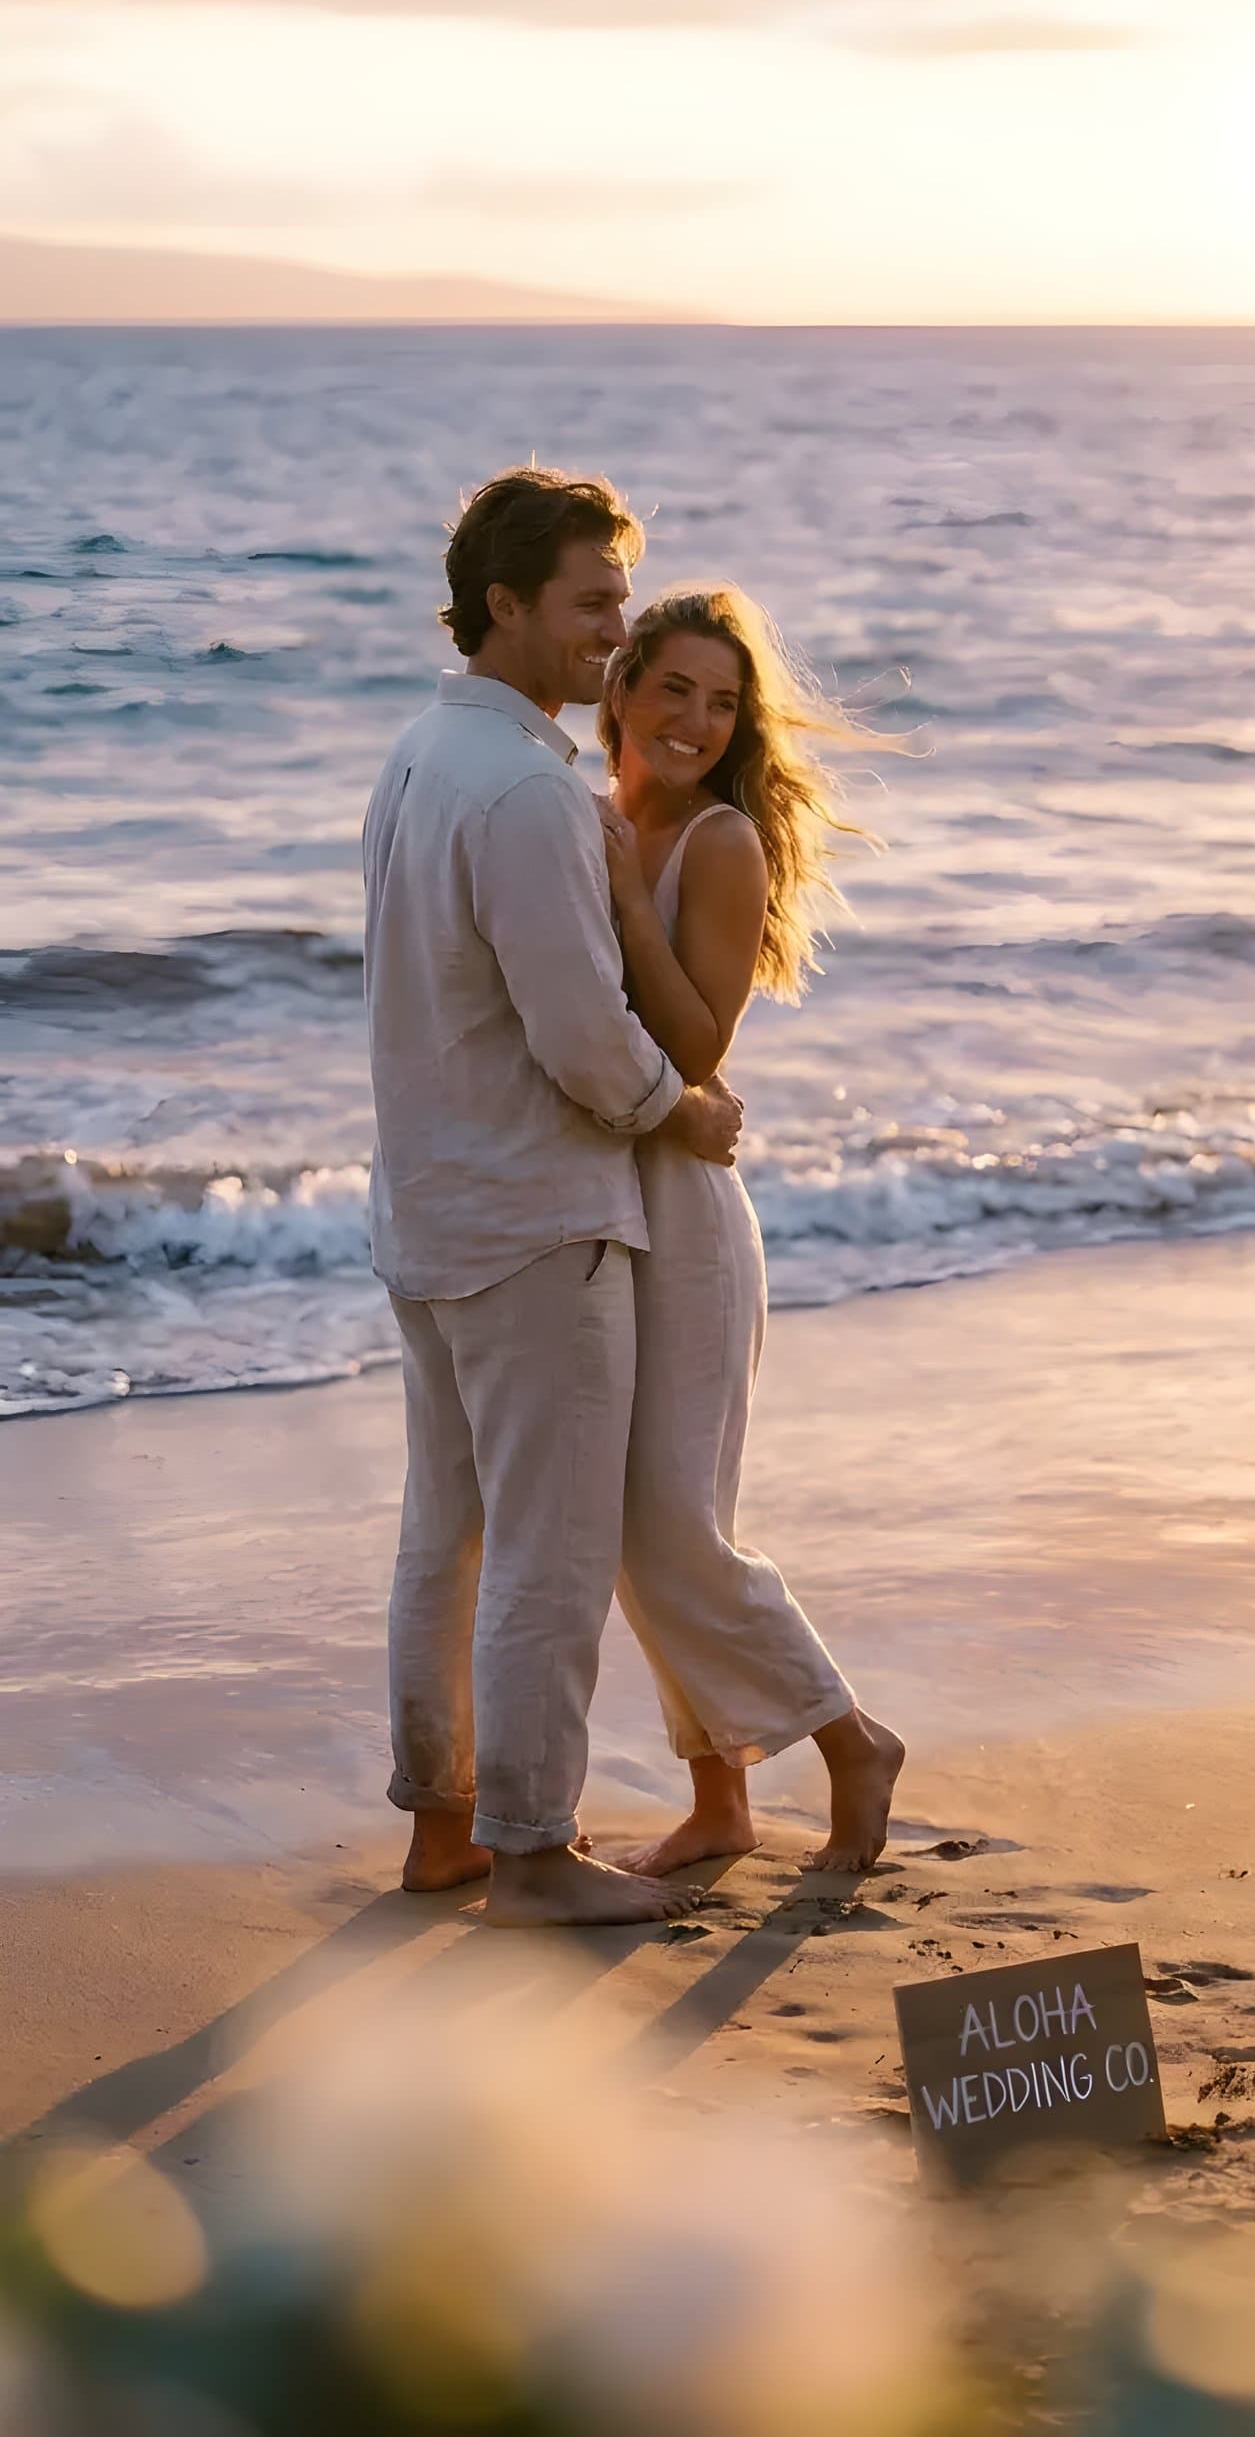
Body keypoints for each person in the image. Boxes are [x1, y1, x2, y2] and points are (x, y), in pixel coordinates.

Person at [363, 468, 743, 1927]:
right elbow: (585, 1037)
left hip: (429, 1207)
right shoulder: (523, 787)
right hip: (531, 1218)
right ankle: (530, 1848)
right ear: (505, 604)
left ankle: (442, 1829)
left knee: (442, 1533)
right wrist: (683, 1111)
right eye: (591, 604)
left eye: (619, 603)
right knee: (548, 1548)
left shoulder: (415, 757)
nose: (613, 633)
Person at [591, 585, 905, 1875]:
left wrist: (619, 900)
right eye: (675, 689)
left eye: (724, 704)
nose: (698, 722)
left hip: (693, 1226)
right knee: (623, 1527)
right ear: (618, 685)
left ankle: (849, 1739)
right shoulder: (590, 819)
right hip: (606, 1201)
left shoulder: (716, 844)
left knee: (673, 1527)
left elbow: (697, 1044)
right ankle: (720, 1798)